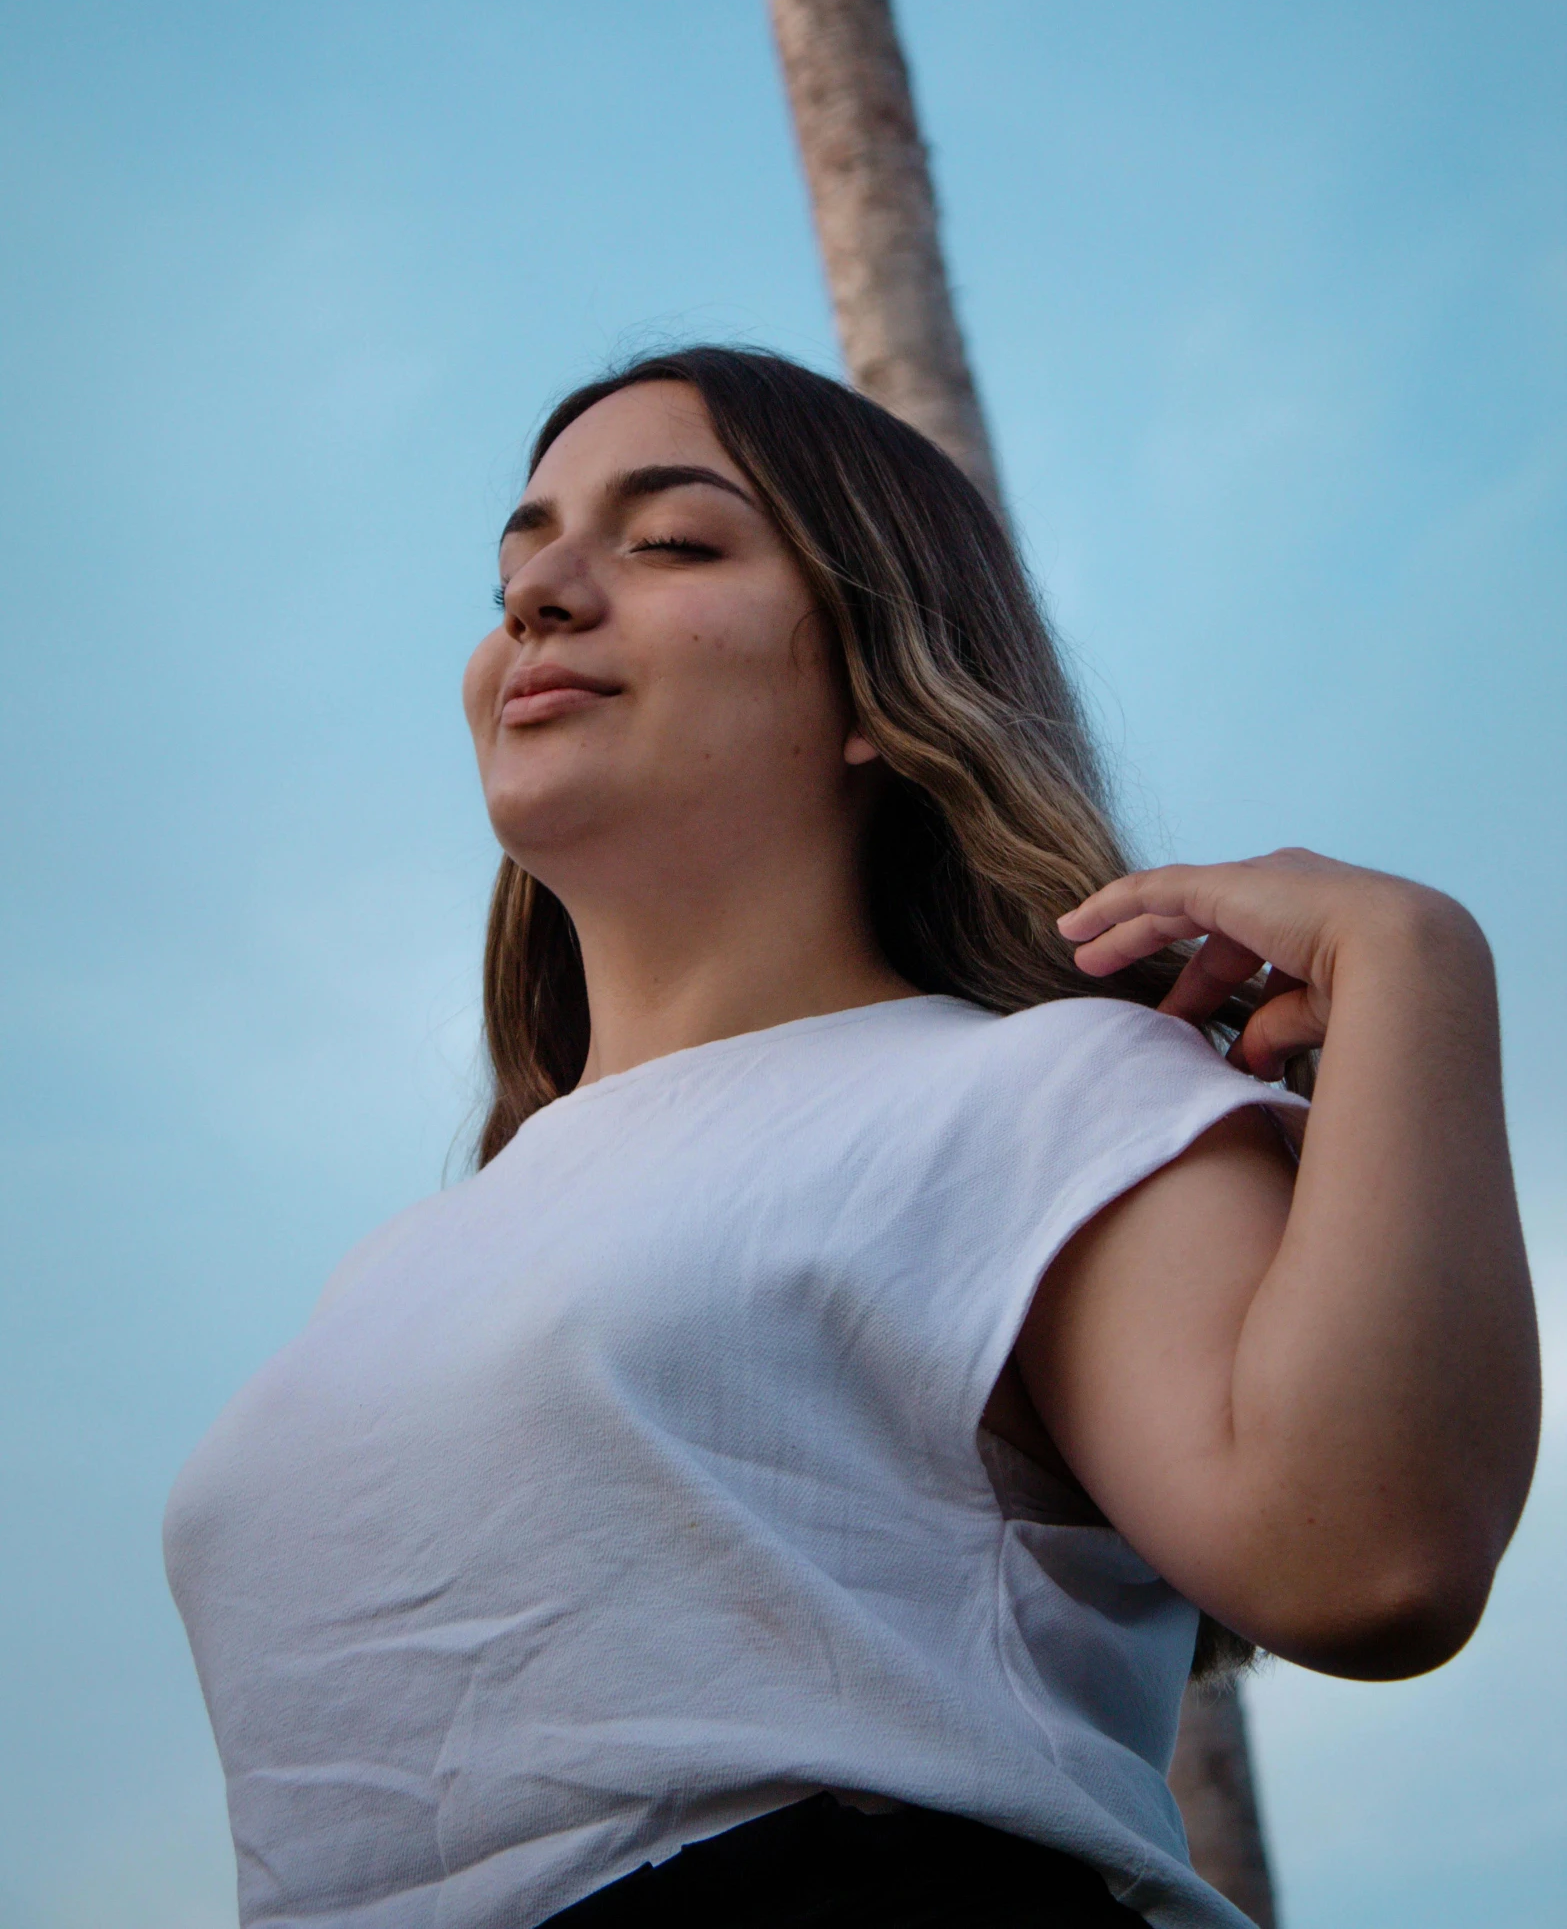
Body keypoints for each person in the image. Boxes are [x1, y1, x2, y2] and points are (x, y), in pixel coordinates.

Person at [165, 348, 1539, 1929]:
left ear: (878, 685)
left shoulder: (1048, 1091)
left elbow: (1364, 1558)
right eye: (513, 565)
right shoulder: (392, 1265)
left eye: (670, 540)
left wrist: (1420, 966)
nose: (539, 592)